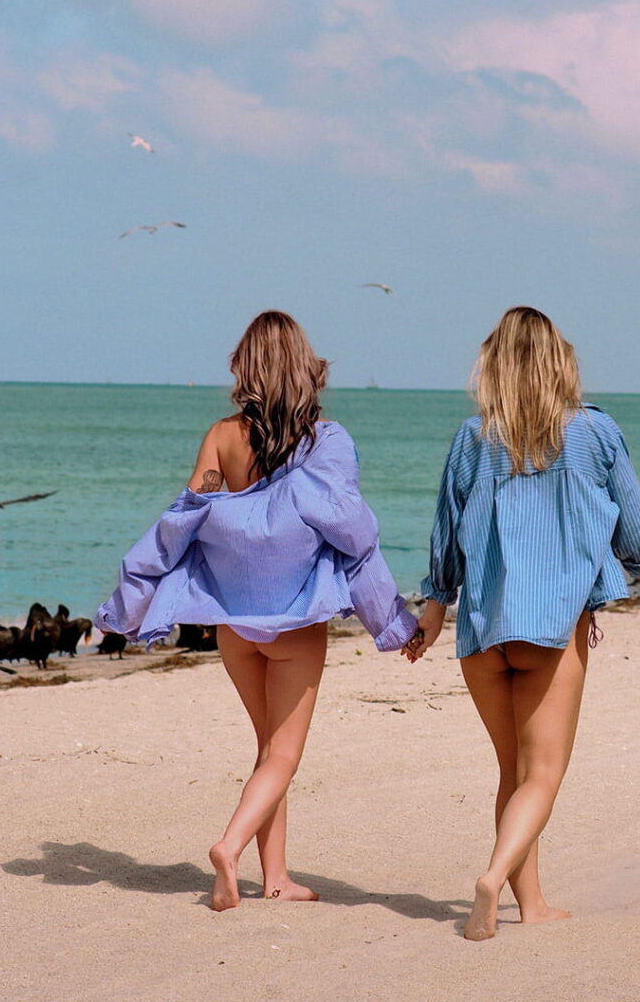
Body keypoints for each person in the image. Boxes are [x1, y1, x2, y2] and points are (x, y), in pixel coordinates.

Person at [95, 311, 421, 910]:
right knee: (285, 754)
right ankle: (230, 845)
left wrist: (131, 601)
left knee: (269, 748)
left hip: (233, 626)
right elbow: (355, 539)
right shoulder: (324, 441)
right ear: (305, 366)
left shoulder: (221, 437)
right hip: (295, 624)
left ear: (244, 367)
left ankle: (277, 879)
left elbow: (181, 524)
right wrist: (394, 622)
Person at [408, 306, 640, 941]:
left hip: (482, 627)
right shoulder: (595, 434)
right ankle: (493, 878)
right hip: (553, 629)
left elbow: (445, 536)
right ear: (561, 361)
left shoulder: (471, 438)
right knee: (545, 773)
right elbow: (633, 530)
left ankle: (531, 906)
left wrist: (432, 610)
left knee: (514, 772)